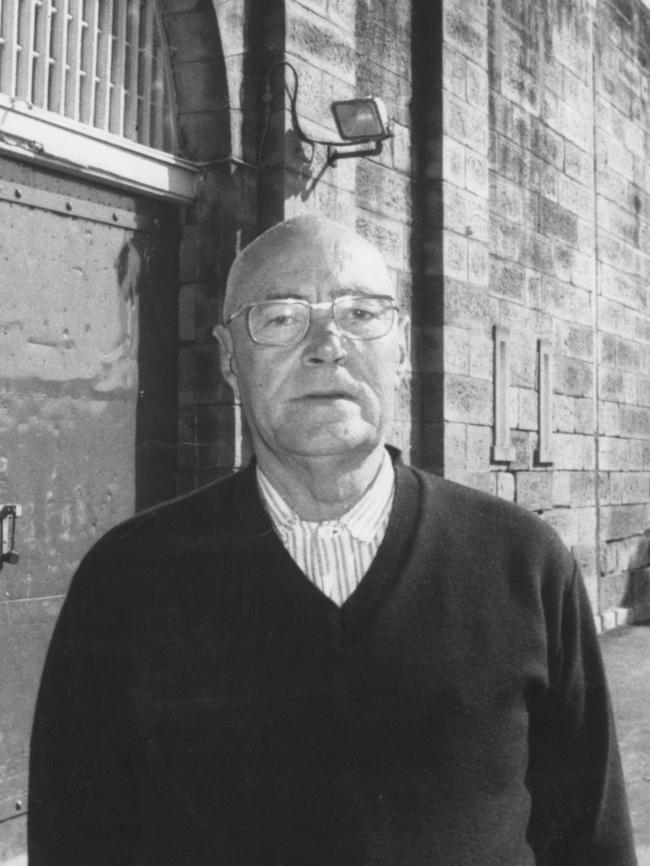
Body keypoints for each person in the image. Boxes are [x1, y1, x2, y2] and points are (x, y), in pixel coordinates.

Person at [28, 215, 637, 865]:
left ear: (400, 349)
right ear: (230, 359)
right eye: (282, 317)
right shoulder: (127, 579)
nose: (328, 345)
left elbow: (591, 841)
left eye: (361, 313)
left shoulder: (523, 562)